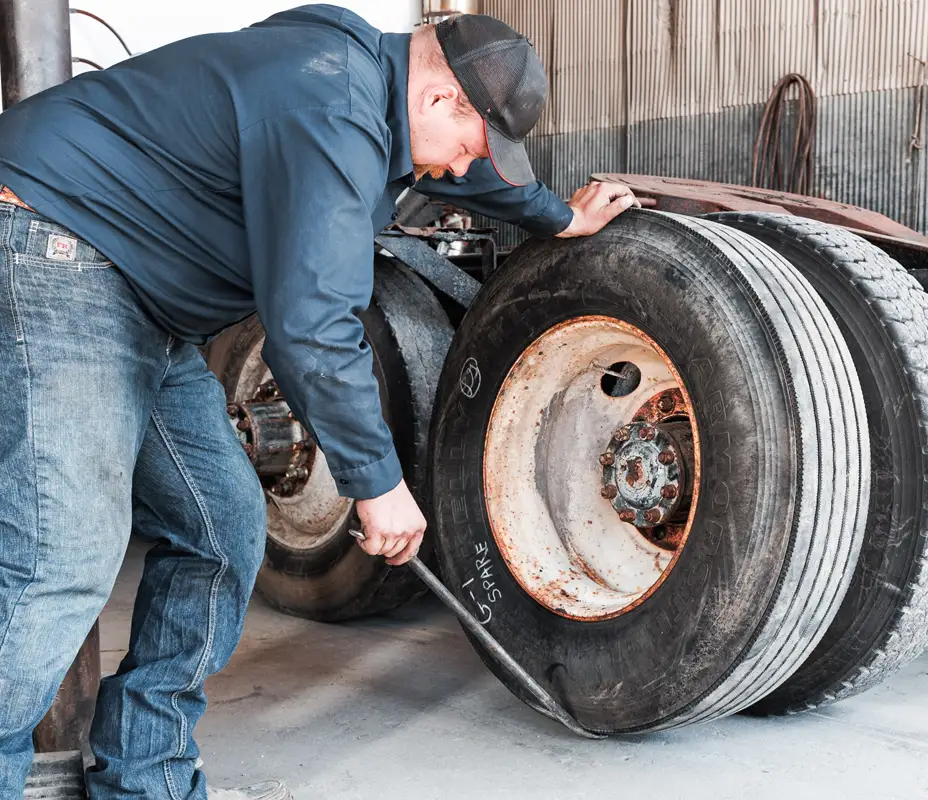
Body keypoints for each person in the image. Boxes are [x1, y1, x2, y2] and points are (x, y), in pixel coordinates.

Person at [0, 6, 636, 798]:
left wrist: (554, 216)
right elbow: (309, 327)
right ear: (441, 101)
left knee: (221, 530)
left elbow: (458, 166)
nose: (465, 168)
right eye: (475, 142)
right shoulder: (335, 109)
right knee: (61, 558)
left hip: (141, 297)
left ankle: (146, 779)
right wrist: (378, 484)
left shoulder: (360, 62)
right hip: (57, 241)